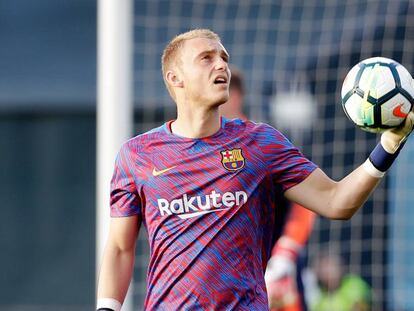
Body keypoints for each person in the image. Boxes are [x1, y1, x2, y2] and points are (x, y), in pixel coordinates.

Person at [96, 29, 414, 311]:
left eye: (223, 57)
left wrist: (388, 146)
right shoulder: (136, 155)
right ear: (175, 78)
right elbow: (121, 247)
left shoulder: (260, 142)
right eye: (206, 58)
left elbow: (336, 201)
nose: (221, 65)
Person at [221, 67, 316, 311]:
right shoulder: (196, 151)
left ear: (236, 96)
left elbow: (305, 201)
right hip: (224, 277)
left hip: (275, 272)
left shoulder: (261, 142)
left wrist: (285, 252)